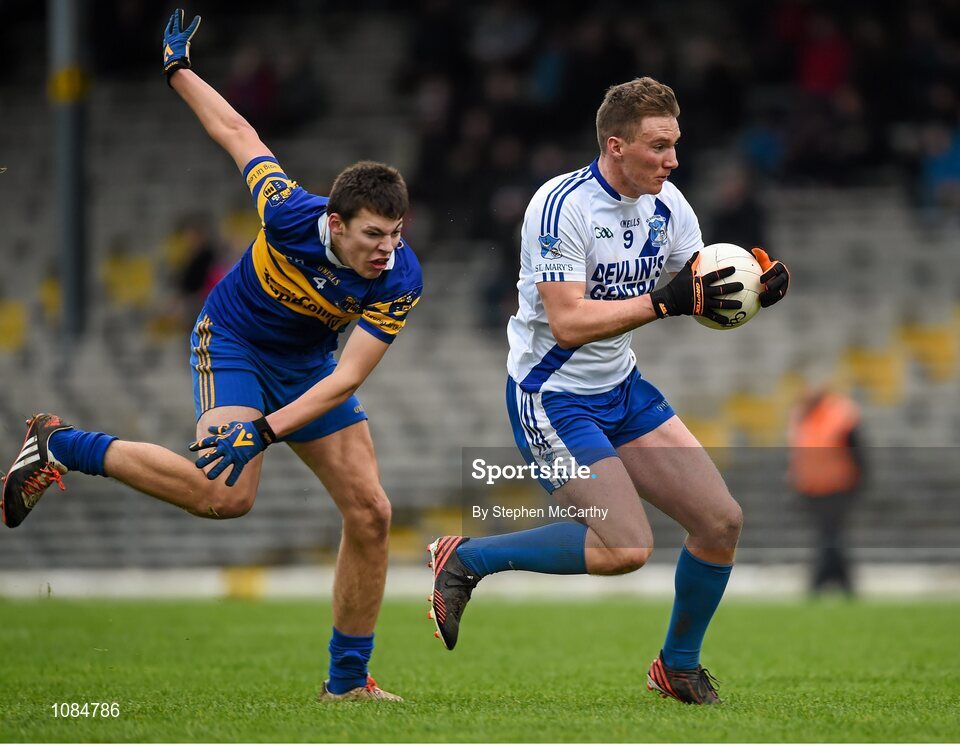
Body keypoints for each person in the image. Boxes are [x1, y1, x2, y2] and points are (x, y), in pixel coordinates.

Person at [2, 9, 422, 703]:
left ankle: (346, 685)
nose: (387, 249)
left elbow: (348, 376)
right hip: (232, 342)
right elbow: (239, 134)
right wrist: (179, 69)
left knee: (372, 511)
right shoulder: (289, 212)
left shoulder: (402, 277)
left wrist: (266, 427)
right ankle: (59, 444)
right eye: (375, 234)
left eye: (397, 234)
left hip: (310, 366)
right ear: (337, 223)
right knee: (225, 495)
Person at [428, 77, 790, 705]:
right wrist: (664, 301)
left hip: (620, 387)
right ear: (616, 145)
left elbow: (701, 291)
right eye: (659, 146)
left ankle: (677, 668)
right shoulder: (559, 205)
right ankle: (467, 558)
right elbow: (568, 321)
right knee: (625, 547)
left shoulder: (670, 206)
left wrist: (753, 289)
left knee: (720, 522)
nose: (672, 160)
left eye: (675, 145)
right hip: (552, 395)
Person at [788, 384, 865, 597]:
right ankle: (841, 583)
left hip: (838, 487)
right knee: (830, 536)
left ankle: (821, 582)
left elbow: (857, 452)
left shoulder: (840, 415)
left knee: (830, 537)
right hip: (813, 489)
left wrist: (858, 484)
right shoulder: (802, 416)